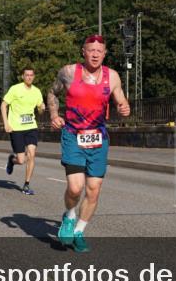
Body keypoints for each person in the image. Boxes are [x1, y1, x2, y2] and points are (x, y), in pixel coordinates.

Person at [47, 35, 131, 252]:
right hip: (73, 135)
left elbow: (121, 101)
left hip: (98, 138)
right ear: (83, 51)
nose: (95, 54)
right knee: (75, 188)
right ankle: (69, 216)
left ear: (104, 54)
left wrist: (124, 109)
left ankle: (79, 231)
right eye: (91, 50)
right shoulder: (68, 72)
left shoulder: (111, 76)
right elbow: (52, 93)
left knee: (93, 190)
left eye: (99, 51)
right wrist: (54, 115)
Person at [1, 67, 45, 195]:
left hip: (31, 127)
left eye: (31, 75)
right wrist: (6, 123)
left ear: (34, 77)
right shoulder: (15, 89)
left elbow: (40, 110)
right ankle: (12, 160)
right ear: (22, 76)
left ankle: (26, 184)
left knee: (32, 154)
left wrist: (42, 107)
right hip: (16, 128)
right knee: (21, 160)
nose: (29, 77)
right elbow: (4, 105)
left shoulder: (37, 92)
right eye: (27, 75)